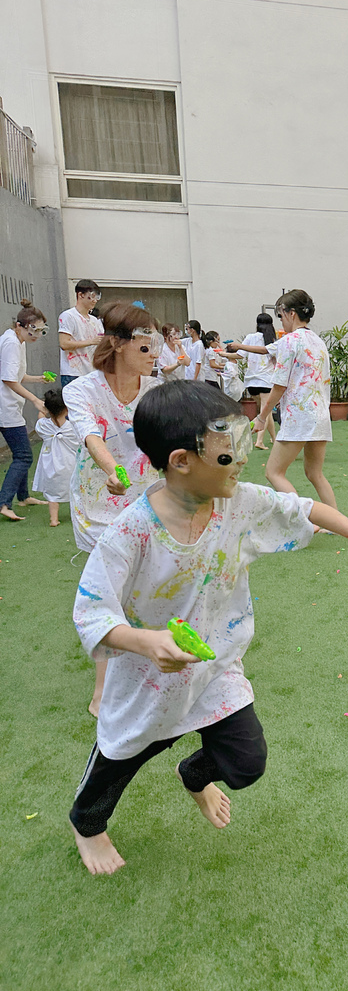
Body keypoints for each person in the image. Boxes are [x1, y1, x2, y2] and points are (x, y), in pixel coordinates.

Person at [68, 380, 348, 875]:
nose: (244, 461)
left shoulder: (239, 503)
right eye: (229, 454)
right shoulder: (131, 531)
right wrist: (145, 642)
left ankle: (195, 774)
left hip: (217, 668)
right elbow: (92, 611)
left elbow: (302, 509)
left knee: (247, 764)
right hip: (149, 680)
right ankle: (87, 825)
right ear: (182, 461)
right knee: (118, 760)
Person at [63, 301, 162, 716]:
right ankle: (103, 689)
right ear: (119, 344)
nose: (155, 353)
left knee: (144, 583)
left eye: (157, 344)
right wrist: (112, 470)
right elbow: (91, 436)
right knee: (109, 590)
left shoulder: (156, 391)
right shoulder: (81, 390)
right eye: (146, 345)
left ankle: (151, 657)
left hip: (145, 501)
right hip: (98, 503)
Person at [252, 290, 337, 510]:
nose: (281, 320)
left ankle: (304, 517)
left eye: (281, 315)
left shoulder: (290, 341)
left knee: (273, 472)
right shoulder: (318, 341)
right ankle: (335, 520)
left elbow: (280, 385)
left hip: (299, 415)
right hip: (319, 414)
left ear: (290, 313)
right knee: (315, 473)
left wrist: (262, 417)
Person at [0, 302, 49, 520]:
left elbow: (17, 376)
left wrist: (38, 378)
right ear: (20, 326)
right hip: (5, 407)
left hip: (9, 405)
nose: (37, 335)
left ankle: (23, 496)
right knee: (23, 456)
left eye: (41, 331)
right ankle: (4, 503)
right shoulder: (11, 342)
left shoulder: (17, 340)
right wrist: (36, 400)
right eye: (34, 330)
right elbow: (9, 379)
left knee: (22, 453)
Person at [227, 313, 277, 450]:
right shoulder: (271, 339)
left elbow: (239, 355)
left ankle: (274, 438)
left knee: (265, 412)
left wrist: (224, 354)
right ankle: (259, 441)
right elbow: (275, 360)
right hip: (266, 380)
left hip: (251, 382)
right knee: (264, 413)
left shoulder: (250, 337)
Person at [32, 387, 79, 527]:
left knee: (53, 494)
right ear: (66, 409)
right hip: (70, 463)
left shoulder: (44, 426)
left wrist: (43, 410)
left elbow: (40, 419)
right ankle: (77, 516)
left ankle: (54, 519)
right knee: (75, 490)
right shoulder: (73, 427)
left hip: (51, 464)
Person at [58, 280, 104, 387]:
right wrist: (91, 342)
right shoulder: (68, 316)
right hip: (73, 372)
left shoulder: (95, 321)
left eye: (97, 297)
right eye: (92, 296)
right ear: (80, 295)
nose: (94, 300)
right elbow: (64, 344)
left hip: (92, 372)